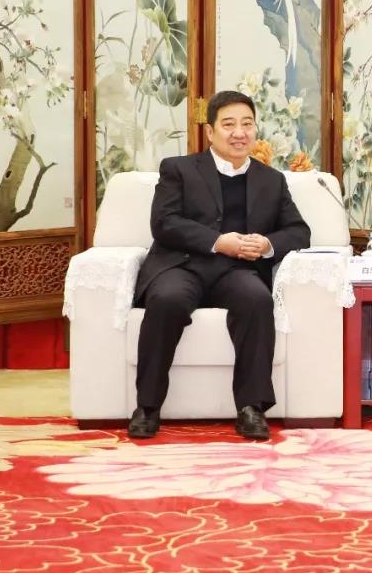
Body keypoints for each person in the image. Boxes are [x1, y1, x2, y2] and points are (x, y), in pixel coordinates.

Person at [129, 91, 310, 441]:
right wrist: (217, 240)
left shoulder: (271, 180)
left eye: (247, 124)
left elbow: (299, 232)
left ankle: (251, 408)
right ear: (210, 131)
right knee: (166, 300)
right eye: (229, 124)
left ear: (255, 130)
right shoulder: (178, 169)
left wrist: (267, 244)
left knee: (257, 300)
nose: (239, 133)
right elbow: (164, 223)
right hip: (182, 266)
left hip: (236, 271)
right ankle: (147, 406)